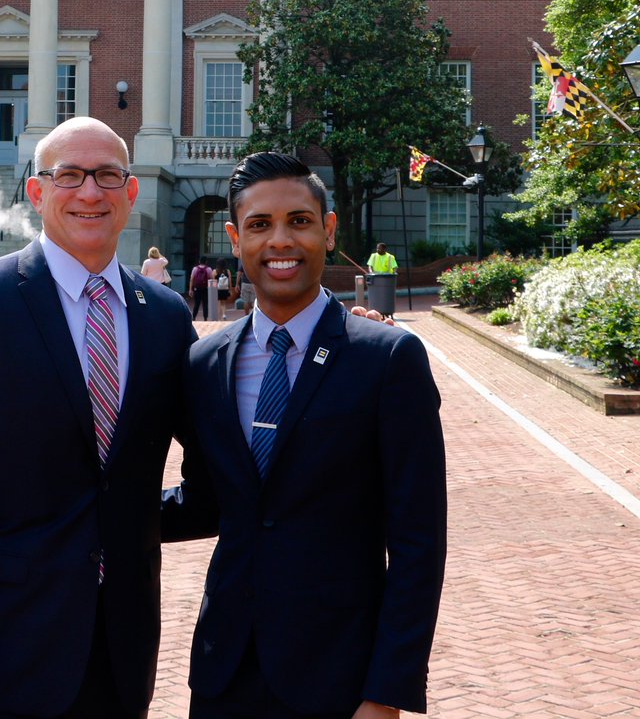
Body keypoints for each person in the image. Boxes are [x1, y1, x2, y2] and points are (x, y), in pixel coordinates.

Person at [0, 117, 197, 719]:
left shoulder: (165, 316)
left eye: (108, 175)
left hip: (123, 649)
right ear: (36, 192)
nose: (90, 192)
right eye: (69, 176)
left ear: (131, 192)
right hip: (6, 647)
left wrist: (350, 349)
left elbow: (219, 458)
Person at [162, 151, 447, 719]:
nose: (280, 241)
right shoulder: (203, 365)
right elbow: (209, 502)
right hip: (225, 675)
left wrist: (387, 691)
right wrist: (95, 510)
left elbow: (418, 540)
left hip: (339, 676)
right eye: (259, 225)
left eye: (299, 221)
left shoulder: (387, 359)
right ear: (235, 239)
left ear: (328, 230)